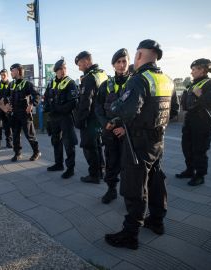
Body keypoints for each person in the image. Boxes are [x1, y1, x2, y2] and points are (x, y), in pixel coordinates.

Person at [104, 39, 175, 250]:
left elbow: (125, 111)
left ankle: (130, 234)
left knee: (135, 186)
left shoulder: (139, 80)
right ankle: (157, 220)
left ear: (139, 55)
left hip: (137, 143)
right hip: (158, 140)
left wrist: (116, 105)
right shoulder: (167, 80)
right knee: (155, 181)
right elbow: (174, 111)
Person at [176, 58, 211, 186]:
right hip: (190, 119)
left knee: (199, 149)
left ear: (202, 70)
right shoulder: (192, 84)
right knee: (187, 147)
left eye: (194, 69)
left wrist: (200, 95)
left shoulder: (210, 84)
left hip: (202, 121)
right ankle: (190, 170)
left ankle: (200, 175)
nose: (192, 72)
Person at [95, 48, 130, 203]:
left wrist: (125, 127)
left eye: (124, 61)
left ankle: (129, 195)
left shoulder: (135, 83)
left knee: (128, 165)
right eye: (118, 62)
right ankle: (111, 190)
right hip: (109, 131)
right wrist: (105, 124)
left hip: (127, 132)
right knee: (111, 162)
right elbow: (98, 107)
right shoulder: (105, 85)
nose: (121, 65)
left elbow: (140, 109)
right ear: (113, 65)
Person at [74, 51, 107, 184]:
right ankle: (101, 170)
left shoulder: (89, 78)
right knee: (97, 145)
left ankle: (94, 175)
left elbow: (85, 103)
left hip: (90, 119)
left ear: (87, 61)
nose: (79, 67)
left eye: (80, 63)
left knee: (89, 146)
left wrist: (80, 120)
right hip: (101, 118)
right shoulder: (102, 74)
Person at [43, 59, 78, 179]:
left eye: (64, 68)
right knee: (55, 140)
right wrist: (47, 107)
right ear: (56, 71)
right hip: (53, 117)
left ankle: (70, 168)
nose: (63, 71)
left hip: (65, 117)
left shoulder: (70, 83)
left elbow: (72, 102)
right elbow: (46, 97)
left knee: (69, 143)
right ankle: (58, 164)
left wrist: (57, 108)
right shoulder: (51, 82)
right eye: (60, 69)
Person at [3, 63, 41, 161]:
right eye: (11, 71)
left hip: (24, 113)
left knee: (29, 134)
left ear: (19, 71)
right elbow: (5, 96)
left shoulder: (27, 84)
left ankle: (36, 152)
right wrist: (6, 104)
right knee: (15, 134)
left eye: (13, 70)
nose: (11, 72)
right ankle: (17, 153)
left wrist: (31, 104)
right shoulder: (11, 84)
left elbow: (37, 95)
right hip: (14, 113)